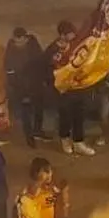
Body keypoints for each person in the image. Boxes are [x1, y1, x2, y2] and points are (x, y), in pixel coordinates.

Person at [45, 21, 97, 155]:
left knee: (79, 115)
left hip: (79, 87)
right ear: (62, 35)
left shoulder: (77, 43)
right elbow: (48, 67)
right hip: (64, 90)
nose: (73, 35)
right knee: (65, 115)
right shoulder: (54, 49)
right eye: (70, 34)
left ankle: (79, 142)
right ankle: (65, 139)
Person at [5, 26, 47, 146]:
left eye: (21, 41)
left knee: (39, 109)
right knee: (26, 112)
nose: (19, 44)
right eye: (16, 41)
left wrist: (42, 79)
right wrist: (16, 85)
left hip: (35, 83)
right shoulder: (10, 48)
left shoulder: (33, 44)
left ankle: (38, 131)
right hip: (21, 87)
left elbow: (41, 62)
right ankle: (29, 137)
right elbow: (9, 69)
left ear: (25, 38)